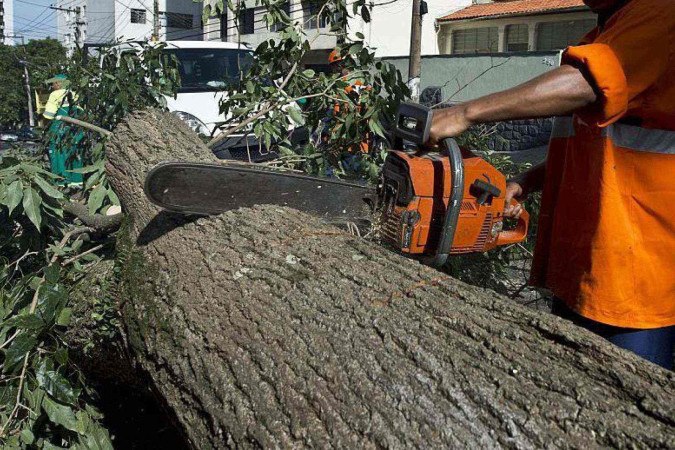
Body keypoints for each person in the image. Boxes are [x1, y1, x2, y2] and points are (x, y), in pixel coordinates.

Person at [428, 0, 674, 369]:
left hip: (637, 279)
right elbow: (588, 144)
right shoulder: (607, 31)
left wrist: (465, 112)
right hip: (587, 264)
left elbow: (589, 83)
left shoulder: (661, 13)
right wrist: (527, 181)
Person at [43, 74, 83, 185]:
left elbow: (48, 116)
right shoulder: (75, 94)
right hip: (75, 131)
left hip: (59, 131)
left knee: (58, 154)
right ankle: (77, 182)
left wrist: (44, 130)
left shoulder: (54, 94)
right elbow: (81, 113)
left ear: (58, 83)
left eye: (53, 84)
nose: (52, 86)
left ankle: (61, 182)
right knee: (74, 154)